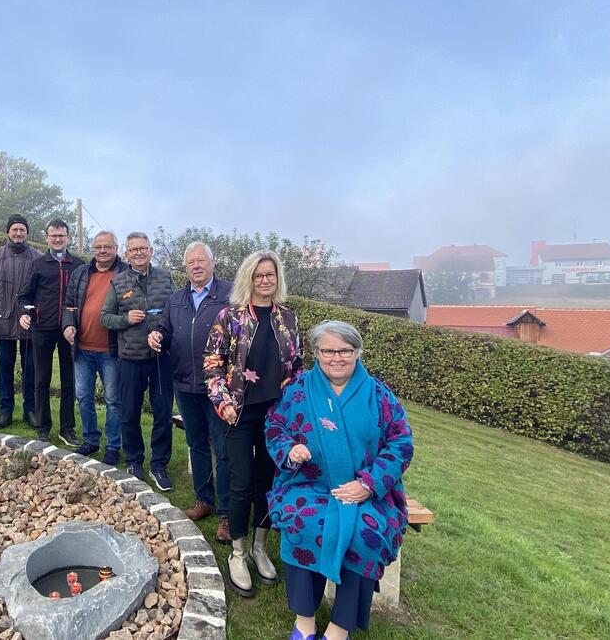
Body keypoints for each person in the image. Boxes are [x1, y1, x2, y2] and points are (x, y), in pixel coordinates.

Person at [265, 320, 414, 640]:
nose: (337, 357)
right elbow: (275, 428)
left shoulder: (379, 395)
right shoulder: (298, 389)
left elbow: (401, 444)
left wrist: (369, 484)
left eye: (345, 350)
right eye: (328, 350)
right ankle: (304, 622)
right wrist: (291, 450)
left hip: (366, 490)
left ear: (357, 352)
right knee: (302, 522)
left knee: (365, 534)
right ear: (317, 353)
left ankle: (339, 628)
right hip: (309, 485)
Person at [204, 250, 303, 598]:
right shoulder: (229, 316)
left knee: (267, 483)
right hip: (238, 412)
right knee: (242, 482)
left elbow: (296, 367)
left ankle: (260, 547)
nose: (265, 280)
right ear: (249, 278)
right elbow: (213, 362)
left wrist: (294, 406)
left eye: (270, 275)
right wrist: (222, 401)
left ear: (277, 279)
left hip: (275, 416)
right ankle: (238, 552)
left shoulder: (288, 319)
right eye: (259, 275)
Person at [148, 241, 233, 543]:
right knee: (197, 445)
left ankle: (226, 512)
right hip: (184, 383)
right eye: (190, 262)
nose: (196, 266)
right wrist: (158, 335)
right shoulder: (176, 299)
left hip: (218, 386)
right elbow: (165, 330)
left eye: (201, 261)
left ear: (212, 263)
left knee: (223, 449)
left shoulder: (229, 294)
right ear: (185, 268)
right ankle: (204, 501)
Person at [100, 231, 176, 491]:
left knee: (163, 413)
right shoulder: (118, 282)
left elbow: (176, 314)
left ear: (151, 251)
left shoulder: (166, 278)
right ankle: (134, 461)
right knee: (130, 413)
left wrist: (164, 333)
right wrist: (125, 320)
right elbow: (105, 317)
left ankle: (159, 465)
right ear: (126, 254)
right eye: (134, 249)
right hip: (130, 359)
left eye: (143, 248)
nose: (139, 253)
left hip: (161, 358)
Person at [17, 219, 85, 444]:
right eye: (53, 235)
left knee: (69, 381)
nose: (57, 239)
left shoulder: (78, 265)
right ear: (46, 237)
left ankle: (67, 429)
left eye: (62, 235)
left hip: (70, 330)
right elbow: (25, 296)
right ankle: (42, 427)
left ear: (68, 237)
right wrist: (25, 313)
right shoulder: (38, 264)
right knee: (41, 379)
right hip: (42, 328)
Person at [63, 230, 128, 462]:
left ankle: (112, 445)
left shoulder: (125, 273)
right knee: (84, 396)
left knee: (113, 400)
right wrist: (68, 325)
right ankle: (90, 440)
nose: (102, 250)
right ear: (94, 248)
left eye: (107, 246)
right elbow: (68, 305)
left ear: (116, 248)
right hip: (82, 348)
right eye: (98, 246)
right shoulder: (81, 272)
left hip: (111, 349)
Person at [0, 214, 41, 429]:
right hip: (2, 322)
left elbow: (42, 294)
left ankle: (30, 410)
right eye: (14, 229)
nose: (18, 233)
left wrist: (36, 317)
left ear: (27, 233)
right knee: (4, 370)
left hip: (29, 324)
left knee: (30, 369)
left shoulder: (37, 259)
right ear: (8, 232)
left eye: (22, 229)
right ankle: (5, 411)